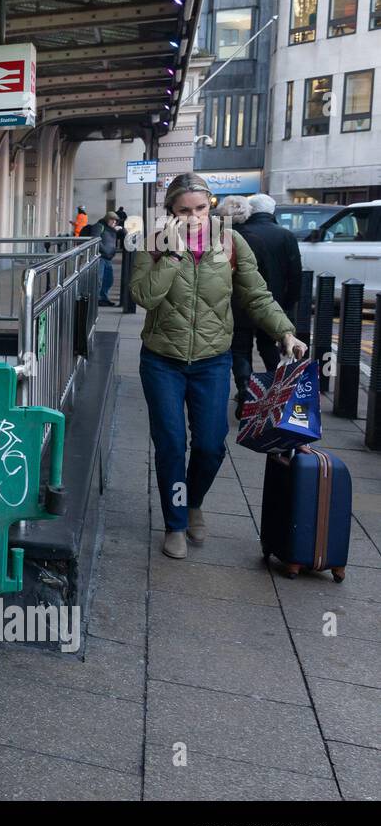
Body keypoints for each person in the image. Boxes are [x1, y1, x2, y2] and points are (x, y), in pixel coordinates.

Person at [131, 173, 307, 560]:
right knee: (172, 445)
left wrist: (285, 333)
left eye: (200, 208)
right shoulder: (154, 242)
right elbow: (144, 296)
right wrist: (173, 253)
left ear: (209, 205)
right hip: (162, 360)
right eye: (183, 210)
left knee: (210, 446)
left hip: (212, 361)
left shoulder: (230, 241)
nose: (193, 217)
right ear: (170, 211)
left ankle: (193, 502)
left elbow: (257, 294)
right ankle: (175, 523)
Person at [232, 193, 303, 415]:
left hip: (240, 303)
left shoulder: (239, 234)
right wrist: (289, 304)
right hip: (274, 304)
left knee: (241, 348)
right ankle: (278, 389)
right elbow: (295, 275)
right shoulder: (285, 235)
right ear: (273, 212)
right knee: (268, 346)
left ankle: (245, 389)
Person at [81, 210, 121, 306]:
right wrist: (105, 251)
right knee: (98, 279)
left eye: (116, 221)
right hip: (100, 257)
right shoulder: (99, 226)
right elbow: (95, 239)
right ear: (107, 219)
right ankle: (96, 299)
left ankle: (103, 298)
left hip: (108, 258)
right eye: (112, 220)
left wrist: (121, 230)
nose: (114, 222)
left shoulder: (112, 229)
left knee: (108, 279)